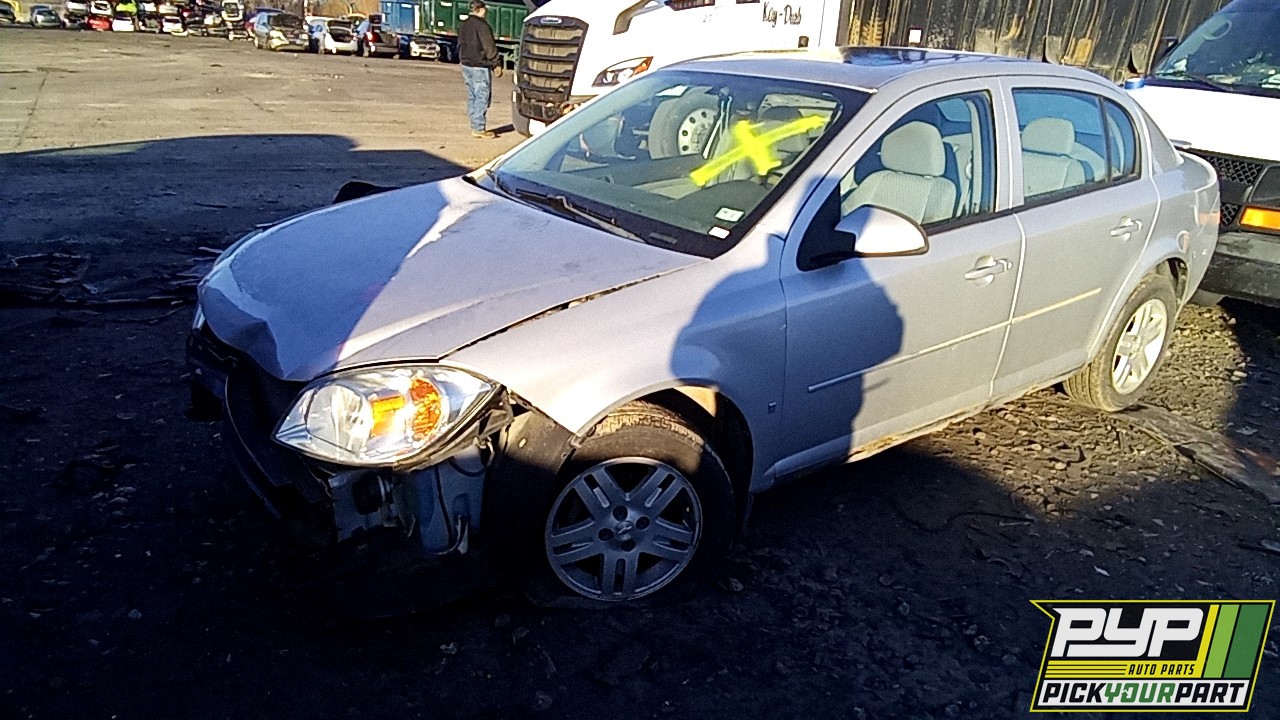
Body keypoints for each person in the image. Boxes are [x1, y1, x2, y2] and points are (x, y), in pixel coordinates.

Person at [458, 0, 503, 138]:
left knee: (472, 95)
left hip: (465, 64)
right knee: (482, 96)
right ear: (480, 9)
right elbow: (488, 46)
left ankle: (474, 124)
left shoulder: (463, 25)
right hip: (479, 65)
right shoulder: (482, 26)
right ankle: (478, 128)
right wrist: (496, 63)